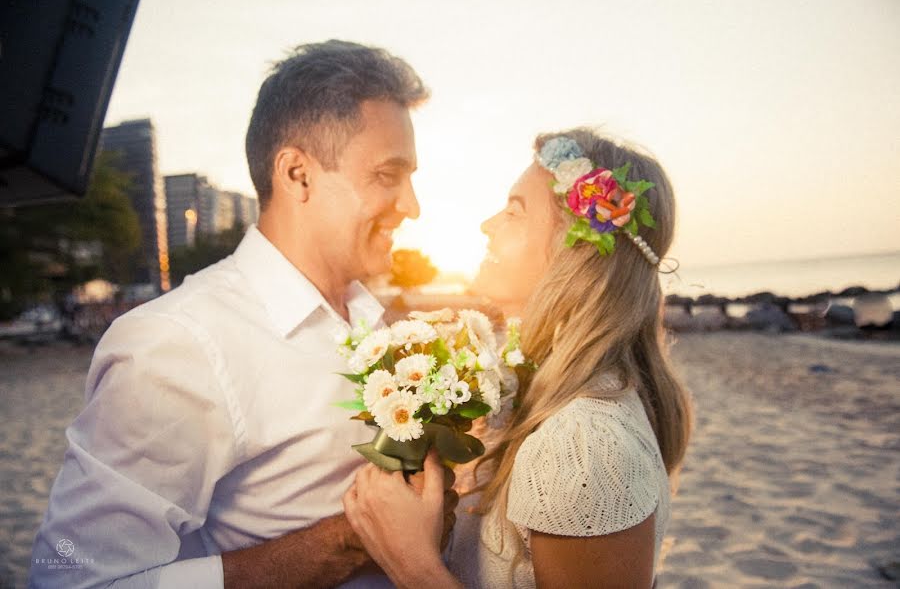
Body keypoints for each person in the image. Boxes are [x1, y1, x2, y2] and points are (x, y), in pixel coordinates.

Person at [29, 40, 457, 589]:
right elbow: (68, 579)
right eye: (387, 175)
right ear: (297, 174)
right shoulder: (177, 344)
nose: (412, 206)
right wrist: (348, 542)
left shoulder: (377, 323)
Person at [343, 128, 693, 588]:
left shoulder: (587, 446)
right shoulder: (527, 390)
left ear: (577, 249)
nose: (488, 225)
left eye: (514, 212)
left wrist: (412, 563)